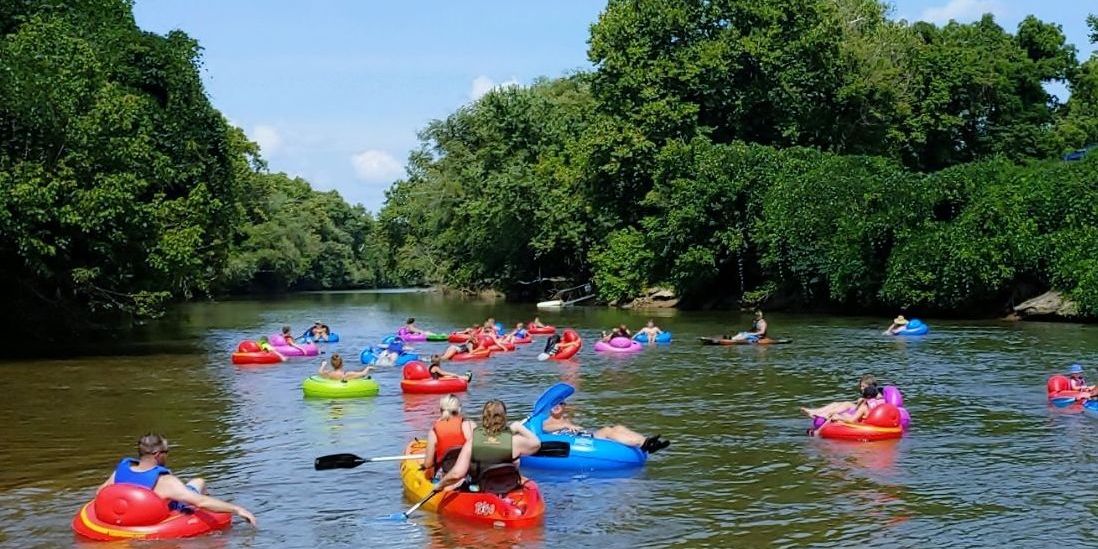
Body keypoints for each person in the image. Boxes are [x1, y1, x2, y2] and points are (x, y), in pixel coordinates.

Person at [96, 434, 257, 526]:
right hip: (158, 516)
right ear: (158, 454)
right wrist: (237, 509)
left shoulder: (121, 470)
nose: (168, 455)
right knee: (199, 482)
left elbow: (101, 492)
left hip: (123, 518)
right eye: (167, 452)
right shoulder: (165, 480)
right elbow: (200, 502)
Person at [439, 400, 542, 491]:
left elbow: (457, 474)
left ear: (483, 417)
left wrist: (440, 484)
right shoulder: (514, 442)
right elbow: (536, 444)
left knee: (452, 485)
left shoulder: (472, 442)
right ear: (504, 417)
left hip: (481, 489)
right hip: (508, 487)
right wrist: (518, 427)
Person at [542, 401, 669, 453]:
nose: (557, 406)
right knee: (607, 431)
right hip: (580, 441)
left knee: (618, 427)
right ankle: (641, 444)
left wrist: (567, 423)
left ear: (564, 407)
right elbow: (545, 429)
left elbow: (574, 411)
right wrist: (564, 425)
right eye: (554, 404)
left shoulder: (565, 418)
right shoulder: (547, 421)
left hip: (582, 436)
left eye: (560, 404)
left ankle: (647, 442)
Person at [421, 395, 476, 478]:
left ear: (440, 410)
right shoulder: (471, 425)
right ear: (459, 409)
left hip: (446, 473)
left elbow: (428, 463)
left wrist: (423, 466)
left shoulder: (434, 431)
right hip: (468, 472)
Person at [807, 385, 884, 436]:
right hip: (868, 422)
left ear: (867, 396)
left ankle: (818, 432)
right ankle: (823, 416)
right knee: (844, 409)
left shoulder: (864, 406)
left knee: (835, 416)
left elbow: (852, 420)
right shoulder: (879, 404)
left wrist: (839, 418)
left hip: (860, 423)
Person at [800, 374, 879, 419]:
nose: (861, 389)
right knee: (835, 404)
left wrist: (862, 401)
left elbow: (868, 409)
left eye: (863, 387)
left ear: (870, 386)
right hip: (858, 410)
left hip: (860, 414)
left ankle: (823, 415)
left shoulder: (877, 396)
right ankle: (815, 411)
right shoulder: (869, 395)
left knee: (847, 404)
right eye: (861, 386)